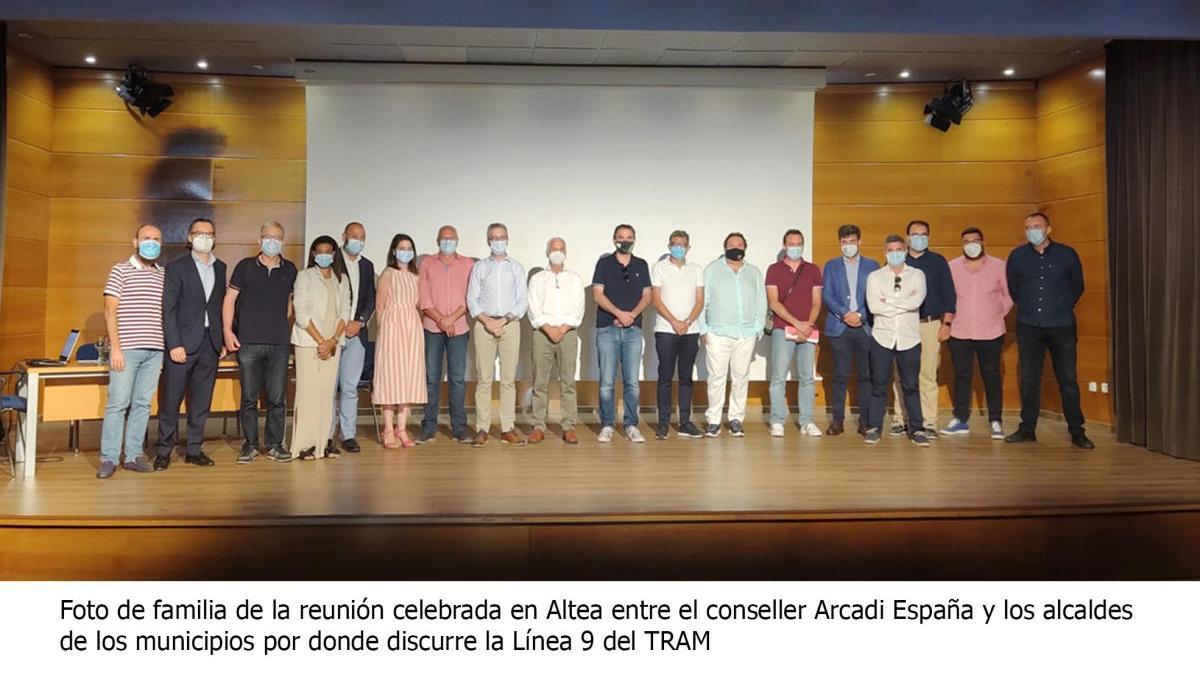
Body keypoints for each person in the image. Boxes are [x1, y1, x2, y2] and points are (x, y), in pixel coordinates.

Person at [1004, 212, 1093, 449]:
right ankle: (1027, 429)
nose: (1032, 230)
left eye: (1037, 226)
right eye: (1028, 227)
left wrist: (1060, 306)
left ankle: (1077, 431)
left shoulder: (1067, 254)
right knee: (1029, 379)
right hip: (1029, 325)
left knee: (1068, 380)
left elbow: (1078, 286)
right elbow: (1014, 289)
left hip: (1061, 325)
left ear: (1048, 229)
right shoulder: (1017, 256)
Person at [154, 217, 225, 471]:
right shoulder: (176, 267)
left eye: (209, 233)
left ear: (215, 238)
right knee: (171, 400)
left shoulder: (221, 268)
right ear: (190, 237)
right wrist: (174, 343)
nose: (205, 237)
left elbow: (219, 306)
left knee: (201, 401)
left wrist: (223, 338)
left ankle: (194, 448)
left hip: (210, 343)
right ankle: (164, 450)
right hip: (182, 343)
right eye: (199, 233)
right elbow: (169, 309)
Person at [224, 221, 298, 464]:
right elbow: (230, 299)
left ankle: (275, 444)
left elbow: (291, 304)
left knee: (277, 398)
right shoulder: (245, 267)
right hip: (248, 343)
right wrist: (227, 331)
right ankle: (250, 444)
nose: (272, 241)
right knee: (249, 397)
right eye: (268, 237)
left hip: (278, 343)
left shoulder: (290, 269)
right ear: (259, 240)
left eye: (277, 237)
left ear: (283, 241)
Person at [96, 224, 165, 479]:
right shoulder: (120, 270)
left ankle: (134, 454)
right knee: (117, 404)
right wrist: (116, 347)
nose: (151, 242)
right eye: (146, 238)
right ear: (135, 242)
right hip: (126, 349)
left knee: (143, 404)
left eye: (156, 239)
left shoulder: (163, 274)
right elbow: (110, 311)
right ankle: (109, 458)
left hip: (155, 350)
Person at [942, 227, 1012, 439]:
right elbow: (947, 297)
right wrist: (946, 323)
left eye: (975, 240)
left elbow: (1009, 295)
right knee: (962, 375)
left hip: (990, 331)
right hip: (959, 330)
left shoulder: (1000, 266)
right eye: (966, 241)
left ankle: (995, 420)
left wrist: (997, 315)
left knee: (991, 375)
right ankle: (960, 419)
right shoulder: (952, 267)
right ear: (961, 244)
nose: (971, 244)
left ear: (983, 242)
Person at [889, 220, 955, 438]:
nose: (919, 238)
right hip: (903, 323)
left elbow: (949, 296)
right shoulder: (897, 260)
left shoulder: (938, 262)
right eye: (915, 234)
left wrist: (946, 324)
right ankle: (901, 419)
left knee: (927, 374)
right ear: (907, 237)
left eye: (923, 234)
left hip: (930, 324)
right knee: (901, 374)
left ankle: (928, 422)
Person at [699, 232, 767, 438]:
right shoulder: (712, 270)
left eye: (739, 244)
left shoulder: (754, 272)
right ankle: (713, 420)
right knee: (716, 378)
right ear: (725, 247)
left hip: (745, 334)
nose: (735, 247)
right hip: (718, 333)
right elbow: (703, 300)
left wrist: (757, 329)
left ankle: (736, 419)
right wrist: (704, 329)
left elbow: (761, 302)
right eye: (731, 245)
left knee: (740, 378)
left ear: (745, 247)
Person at [290, 236, 352, 460]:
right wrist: (321, 341)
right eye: (320, 251)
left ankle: (323, 443)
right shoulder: (304, 276)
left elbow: (345, 312)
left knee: (326, 395)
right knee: (308, 394)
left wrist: (333, 340)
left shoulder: (341, 279)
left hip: (333, 343)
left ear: (335, 253)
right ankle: (305, 445)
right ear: (314, 254)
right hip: (309, 343)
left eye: (329, 251)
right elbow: (301, 312)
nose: (324, 255)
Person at [864, 235, 929, 446]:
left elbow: (917, 301)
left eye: (899, 249)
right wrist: (902, 301)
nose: (895, 253)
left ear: (905, 250)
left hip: (909, 339)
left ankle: (917, 428)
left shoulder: (917, 275)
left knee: (911, 386)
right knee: (879, 386)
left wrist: (889, 301)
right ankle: (874, 427)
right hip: (882, 337)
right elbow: (874, 306)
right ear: (885, 252)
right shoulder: (875, 277)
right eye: (891, 249)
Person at [467, 223, 528, 447]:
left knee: (508, 380)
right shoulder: (480, 267)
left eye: (501, 237)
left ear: (508, 239)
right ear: (488, 241)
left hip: (509, 324)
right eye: (494, 237)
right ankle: (482, 428)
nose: (498, 240)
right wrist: (488, 322)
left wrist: (503, 320)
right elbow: (472, 299)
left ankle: (507, 428)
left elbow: (522, 300)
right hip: (484, 324)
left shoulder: (517, 267)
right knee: (483, 379)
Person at [592, 224, 652, 443]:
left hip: (633, 331)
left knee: (632, 382)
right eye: (620, 237)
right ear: (613, 239)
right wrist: (619, 313)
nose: (624, 240)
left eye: (628, 237)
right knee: (607, 381)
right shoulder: (604, 264)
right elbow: (597, 295)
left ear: (634, 240)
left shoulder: (642, 265)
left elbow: (647, 295)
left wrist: (631, 316)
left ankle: (630, 425)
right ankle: (607, 424)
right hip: (607, 329)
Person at [416, 225, 474, 444]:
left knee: (458, 379)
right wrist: (441, 319)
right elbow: (423, 296)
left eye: (451, 238)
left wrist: (452, 318)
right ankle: (428, 426)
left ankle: (459, 427)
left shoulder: (468, 264)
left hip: (459, 328)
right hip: (432, 327)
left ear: (457, 240)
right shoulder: (427, 264)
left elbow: (471, 295)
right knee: (432, 378)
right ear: (437, 240)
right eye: (443, 238)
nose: (447, 242)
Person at [821, 224, 880, 436]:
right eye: (844, 242)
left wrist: (861, 315)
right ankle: (837, 421)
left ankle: (865, 421)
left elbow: (877, 295)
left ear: (859, 242)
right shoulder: (831, 265)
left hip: (865, 328)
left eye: (852, 241)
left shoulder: (873, 266)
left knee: (866, 376)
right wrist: (846, 314)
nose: (848, 246)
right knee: (839, 376)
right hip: (840, 328)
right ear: (840, 243)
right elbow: (827, 295)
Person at [526, 237, 585, 444]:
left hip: (567, 334)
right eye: (553, 249)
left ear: (566, 252)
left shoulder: (575, 279)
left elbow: (579, 307)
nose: (557, 252)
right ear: (547, 252)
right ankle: (538, 426)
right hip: (542, 333)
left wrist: (563, 328)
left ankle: (568, 426)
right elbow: (532, 307)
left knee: (568, 383)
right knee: (540, 382)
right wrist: (548, 328)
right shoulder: (537, 278)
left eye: (561, 249)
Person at [766, 228, 824, 438]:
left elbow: (817, 302)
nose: (795, 247)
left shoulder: (813, 269)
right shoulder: (774, 269)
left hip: (809, 330)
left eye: (798, 243)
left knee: (807, 377)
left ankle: (807, 421)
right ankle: (777, 420)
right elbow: (774, 302)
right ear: (784, 246)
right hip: (783, 329)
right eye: (791, 244)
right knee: (779, 377)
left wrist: (807, 324)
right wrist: (796, 323)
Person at [650, 230, 705, 440]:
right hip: (666, 329)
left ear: (688, 247)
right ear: (668, 246)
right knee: (664, 376)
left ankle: (685, 422)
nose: (678, 247)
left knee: (686, 377)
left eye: (682, 244)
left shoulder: (696, 269)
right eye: (674, 244)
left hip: (690, 330)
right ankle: (663, 423)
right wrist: (674, 322)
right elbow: (656, 299)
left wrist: (687, 322)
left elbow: (699, 300)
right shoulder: (659, 268)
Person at [373, 234, 427, 448]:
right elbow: (380, 306)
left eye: (409, 247)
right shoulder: (388, 274)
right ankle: (387, 428)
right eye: (401, 247)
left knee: (408, 377)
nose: (405, 251)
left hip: (412, 327)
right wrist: (384, 330)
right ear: (394, 251)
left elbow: (419, 303)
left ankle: (402, 428)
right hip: (392, 327)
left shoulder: (416, 275)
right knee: (390, 377)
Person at [329, 221, 375, 454]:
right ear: (344, 236)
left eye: (362, 236)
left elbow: (370, 298)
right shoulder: (330, 259)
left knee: (349, 387)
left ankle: (348, 434)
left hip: (357, 334)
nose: (358, 240)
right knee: (329, 388)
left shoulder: (367, 266)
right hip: (332, 335)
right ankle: (326, 434)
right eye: (354, 236)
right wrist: (339, 325)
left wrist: (360, 321)